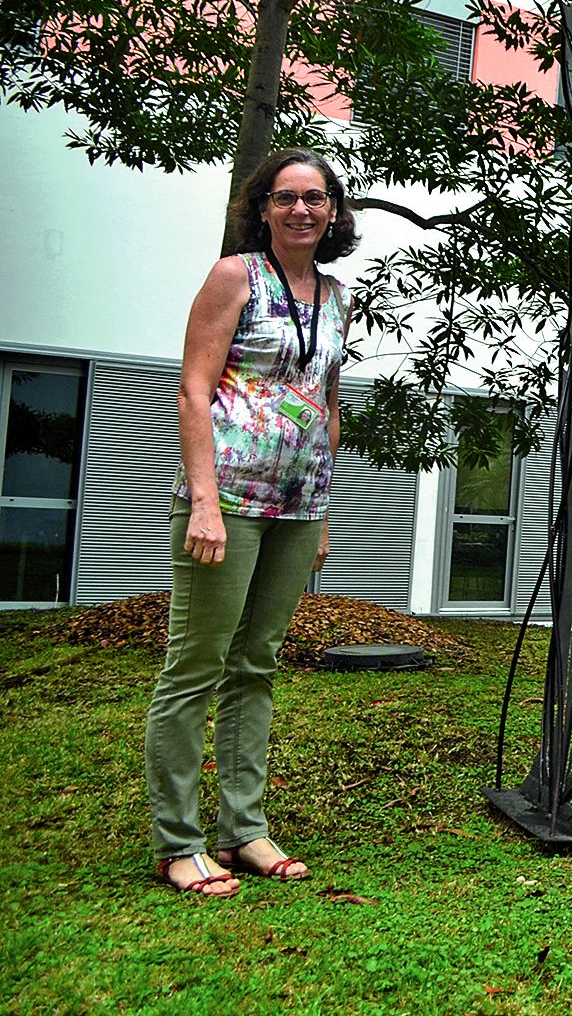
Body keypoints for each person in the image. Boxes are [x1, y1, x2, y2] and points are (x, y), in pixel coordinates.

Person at [145, 149, 358, 896]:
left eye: (315, 197)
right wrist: (202, 500)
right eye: (286, 196)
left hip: (296, 507)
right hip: (227, 501)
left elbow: (326, 409)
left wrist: (322, 513)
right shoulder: (234, 275)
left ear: (334, 211)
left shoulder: (334, 295)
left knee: (256, 664)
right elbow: (191, 389)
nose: (301, 208)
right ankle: (179, 842)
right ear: (262, 207)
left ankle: (243, 830)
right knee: (194, 667)